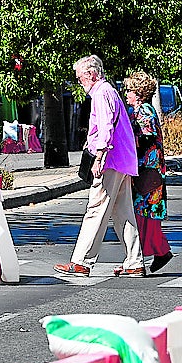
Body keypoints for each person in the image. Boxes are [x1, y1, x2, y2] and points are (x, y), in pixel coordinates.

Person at [55, 54, 144, 277]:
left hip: (111, 161)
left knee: (96, 209)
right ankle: (134, 262)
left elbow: (105, 129)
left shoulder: (102, 93)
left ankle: (82, 261)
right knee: (123, 212)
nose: (79, 83)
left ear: (92, 75)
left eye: (80, 78)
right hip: (123, 160)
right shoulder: (109, 91)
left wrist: (99, 157)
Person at [123, 72, 173, 274]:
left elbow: (146, 138)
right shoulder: (140, 109)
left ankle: (142, 257)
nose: (126, 94)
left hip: (148, 170)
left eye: (129, 90)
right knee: (144, 214)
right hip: (147, 169)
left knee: (143, 214)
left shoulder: (144, 110)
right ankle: (157, 252)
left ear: (139, 93)